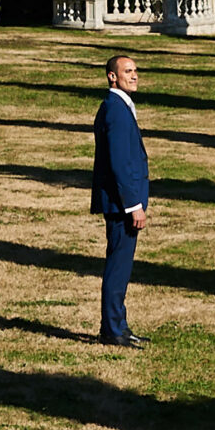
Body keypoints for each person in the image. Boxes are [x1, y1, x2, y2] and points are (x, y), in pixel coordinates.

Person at [90, 50, 151, 349]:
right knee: (117, 267)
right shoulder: (114, 108)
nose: (134, 75)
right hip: (121, 205)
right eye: (127, 71)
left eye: (135, 70)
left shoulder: (120, 106)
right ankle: (112, 329)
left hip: (122, 203)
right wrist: (133, 204)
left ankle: (119, 325)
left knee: (121, 267)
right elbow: (120, 162)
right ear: (112, 76)